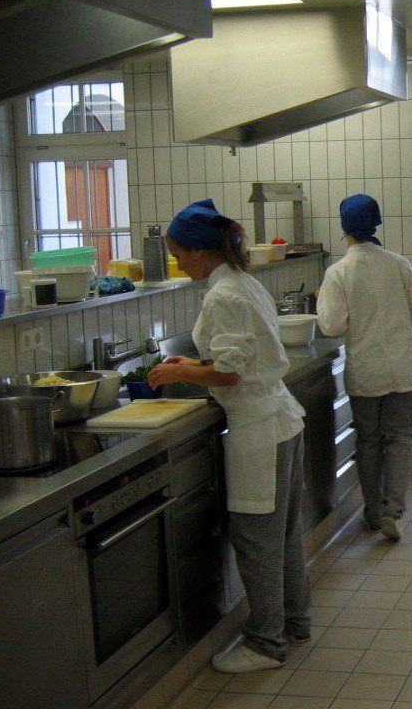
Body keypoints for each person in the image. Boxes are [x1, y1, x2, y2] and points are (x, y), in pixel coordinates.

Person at [147, 198, 309, 674]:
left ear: (200, 251)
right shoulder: (243, 282)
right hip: (281, 420)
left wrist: (187, 372)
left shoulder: (222, 295)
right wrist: (194, 364)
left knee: (258, 541)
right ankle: (294, 622)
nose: (178, 263)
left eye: (179, 254)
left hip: (259, 429)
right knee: (284, 535)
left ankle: (266, 644)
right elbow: (239, 358)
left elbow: (231, 374)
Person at [316, 194, 412, 541]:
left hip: (367, 371)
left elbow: (331, 326)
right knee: (401, 439)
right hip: (405, 368)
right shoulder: (398, 263)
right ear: (376, 223)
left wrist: (324, 300)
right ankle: (393, 510)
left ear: (344, 228)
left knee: (369, 441)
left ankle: (373, 514)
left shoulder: (338, 272)